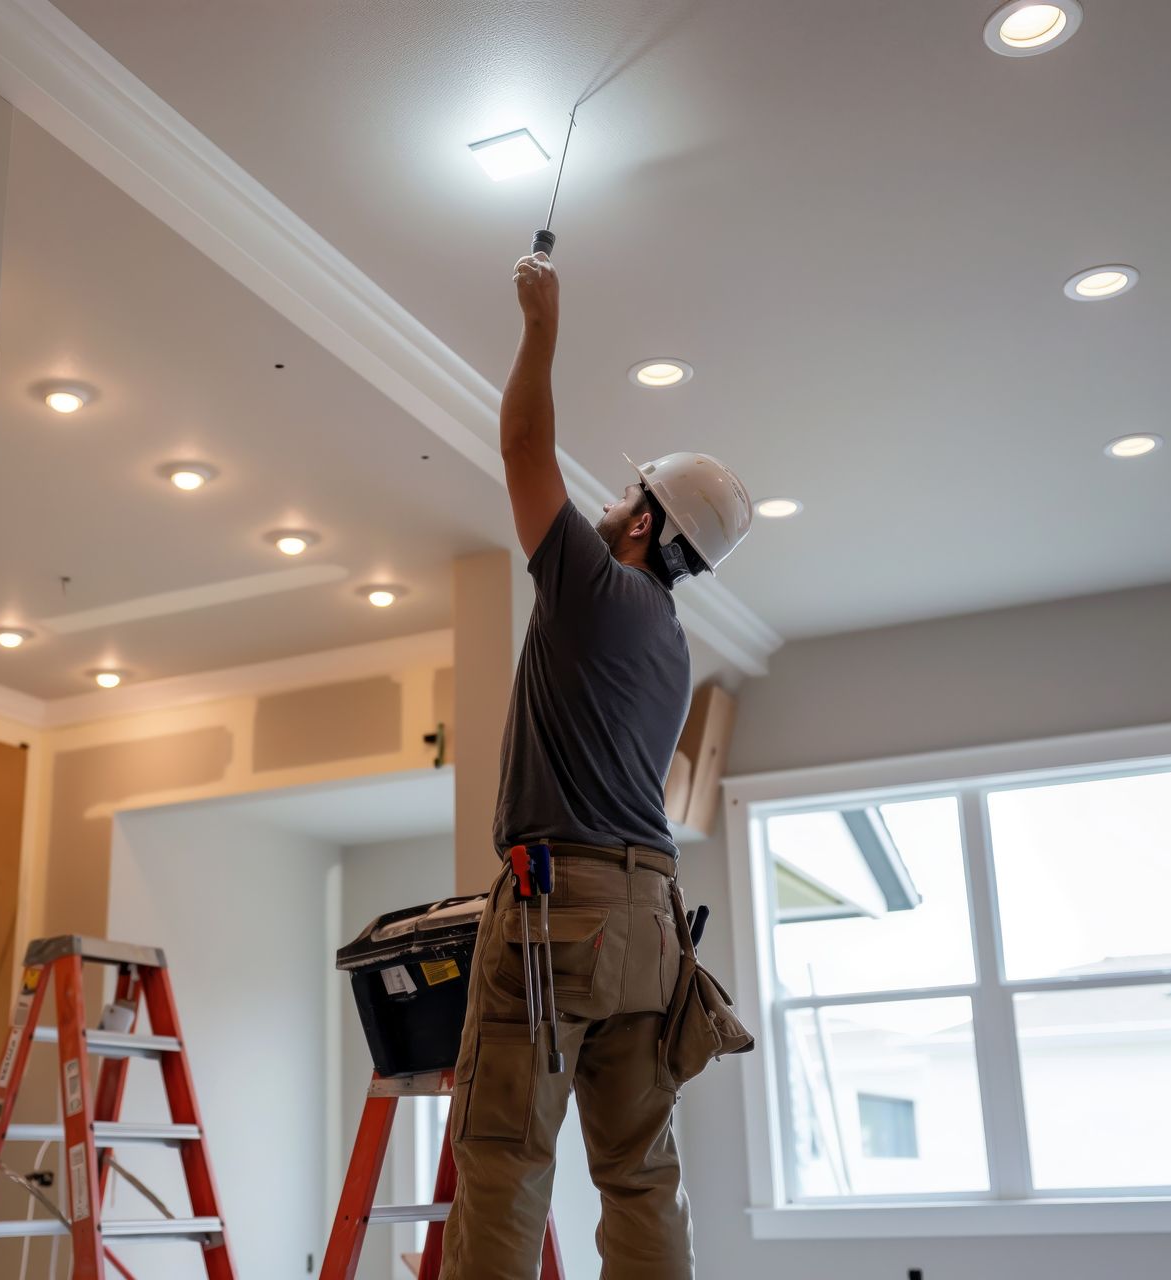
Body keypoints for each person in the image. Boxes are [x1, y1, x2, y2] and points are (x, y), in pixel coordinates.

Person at [438, 250, 752, 1280]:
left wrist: (541, 323)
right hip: (651, 926)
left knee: (505, 1158)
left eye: (627, 493)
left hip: (558, 910)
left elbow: (523, 445)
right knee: (639, 1169)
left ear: (646, 523)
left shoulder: (593, 588)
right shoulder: (671, 645)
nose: (610, 502)